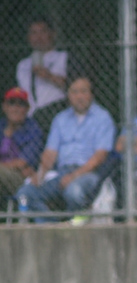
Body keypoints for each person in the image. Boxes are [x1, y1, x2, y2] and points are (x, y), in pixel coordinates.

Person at [16, 76, 116, 223]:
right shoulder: (60, 119)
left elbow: (100, 156)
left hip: (89, 173)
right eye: (74, 92)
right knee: (25, 193)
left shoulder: (102, 117)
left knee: (73, 192)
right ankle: (52, 230)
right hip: (61, 173)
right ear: (68, 95)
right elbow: (50, 152)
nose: (79, 96)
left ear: (91, 94)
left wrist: (74, 176)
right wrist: (40, 174)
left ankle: (77, 229)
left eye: (83, 91)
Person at [16, 17, 72, 128]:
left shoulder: (64, 58)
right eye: (34, 33)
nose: (38, 37)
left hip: (56, 115)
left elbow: (75, 87)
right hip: (30, 118)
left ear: (53, 34)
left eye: (43, 32)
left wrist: (49, 76)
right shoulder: (23, 65)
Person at [0, 87, 44, 201]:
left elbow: (22, 163)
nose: (15, 108)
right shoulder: (1, 125)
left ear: (27, 108)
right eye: (11, 103)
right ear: (4, 106)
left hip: (22, 178)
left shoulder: (33, 129)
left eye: (20, 104)